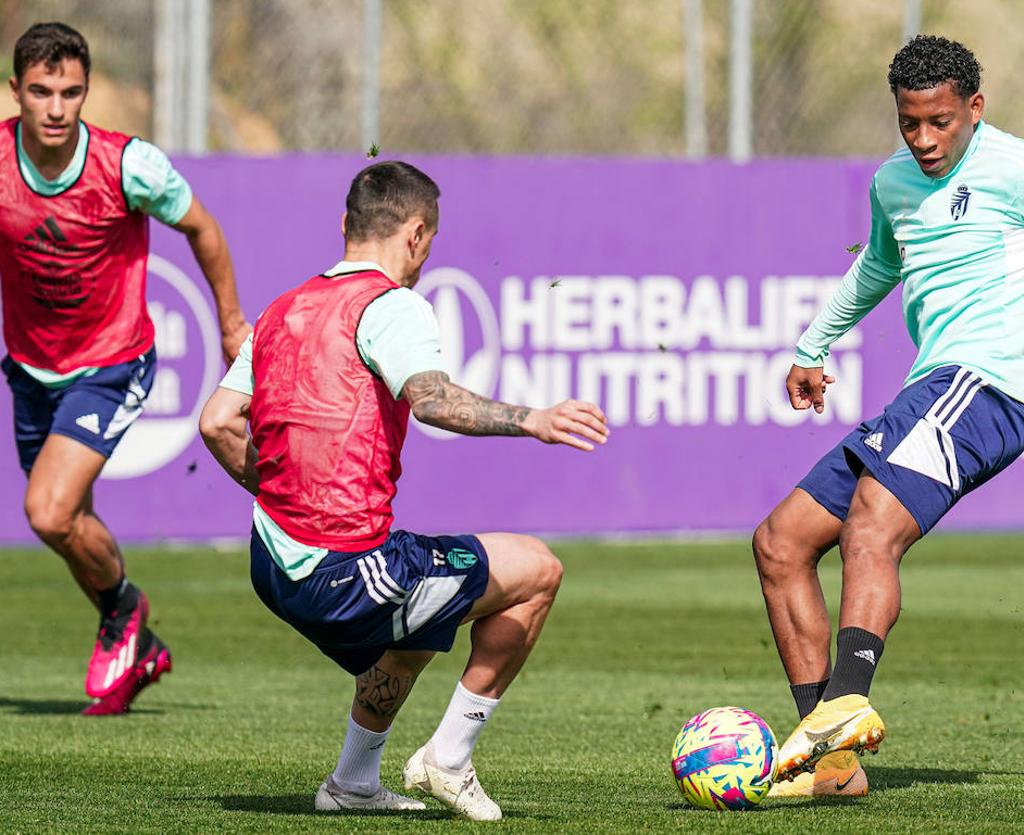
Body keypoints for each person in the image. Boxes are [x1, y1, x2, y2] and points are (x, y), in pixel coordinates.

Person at [754, 35, 1024, 796]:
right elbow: (880, 265)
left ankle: (843, 703)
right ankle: (832, 763)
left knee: (870, 524)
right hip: (931, 386)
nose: (924, 140)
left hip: (987, 389)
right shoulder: (894, 183)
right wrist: (813, 343)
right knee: (780, 542)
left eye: (941, 123)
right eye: (909, 123)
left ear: (974, 109)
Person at [200, 160, 608, 819]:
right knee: (537, 570)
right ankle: (448, 759)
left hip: (271, 563)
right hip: (343, 570)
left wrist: (281, 490)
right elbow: (433, 399)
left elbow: (216, 420)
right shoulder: (392, 305)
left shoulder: (282, 310)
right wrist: (532, 418)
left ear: (345, 225)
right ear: (416, 234)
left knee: (425, 613)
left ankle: (353, 781)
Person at [1, 22, 250, 715]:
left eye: (71, 92)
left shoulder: (129, 166)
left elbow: (203, 227)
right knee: (67, 521)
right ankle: (130, 625)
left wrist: (230, 323)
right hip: (29, 368)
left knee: (46, 510)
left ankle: (122, 610)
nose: (55, 108)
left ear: (87, 94)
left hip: (112, 361)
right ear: (15, 89)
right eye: (42, 91)